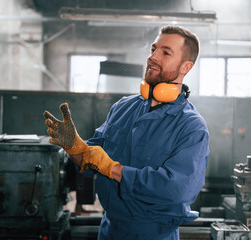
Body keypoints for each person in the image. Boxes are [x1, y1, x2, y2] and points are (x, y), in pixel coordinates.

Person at [43, 25, 209, 240]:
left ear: (186, 67)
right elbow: (92, 161)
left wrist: (113, 169)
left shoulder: (191, 126)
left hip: (152, 234)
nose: (153, 57)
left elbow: (177, 190)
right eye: (153, 49)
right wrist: (74, 147)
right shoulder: (123, 107)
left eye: (165, 52)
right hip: (110, 229)